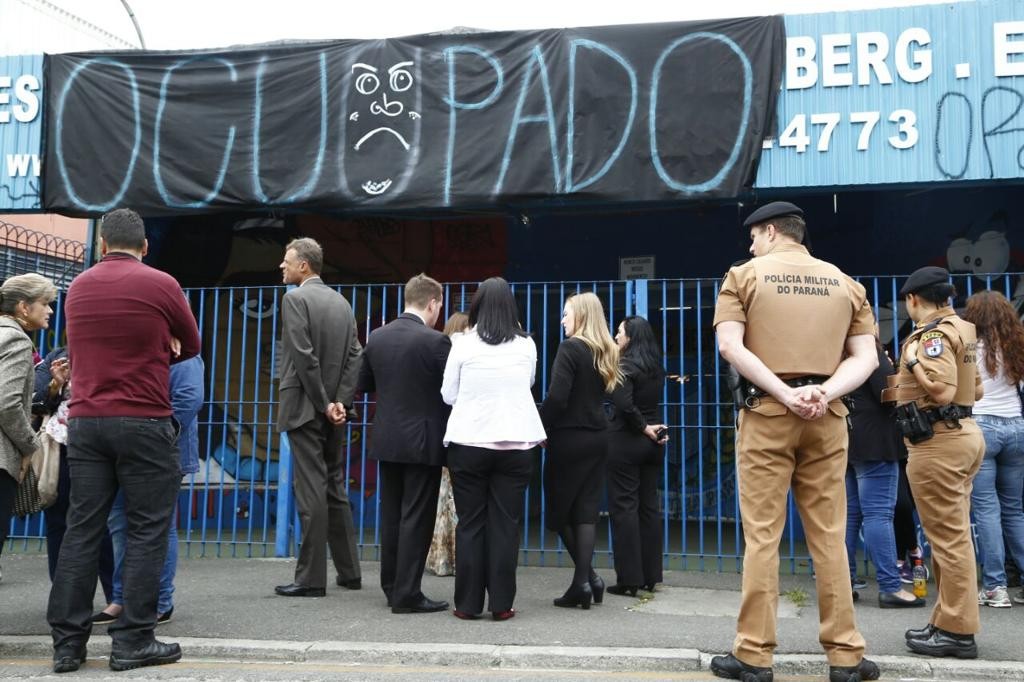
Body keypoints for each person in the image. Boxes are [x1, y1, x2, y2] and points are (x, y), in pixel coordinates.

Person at [711, 202, 880, 682]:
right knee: (829, 537)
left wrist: (785, 393)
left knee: (763, 536)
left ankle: (753, 654)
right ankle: (846, 656)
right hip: (828, 415)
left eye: (754, 236)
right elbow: (866, 358)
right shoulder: (846, 283)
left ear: (769, 231)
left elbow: (730, 346)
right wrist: (822, 392)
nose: (750, 246)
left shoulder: (742, 276)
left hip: (768, 413)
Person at [46, 208, 201, 674]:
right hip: (144, 420)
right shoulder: (162, 284)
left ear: (101, 245)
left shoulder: (78, 289)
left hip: (87, 423)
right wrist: (165, 338)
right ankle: (133, 641)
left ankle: (67, 645)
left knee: (82, 529)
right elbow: (191, 345)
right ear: (145, 246)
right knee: (147, 529)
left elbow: (78, 346)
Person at [883, 266, 985, 659]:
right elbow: (973, 387)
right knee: (951, 537)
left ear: (913, 299)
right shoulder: (964, 328)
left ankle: (958, 632)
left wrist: (910, 362)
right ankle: (947, 622)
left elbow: (941, 390)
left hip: (938, 442)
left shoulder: (932, 336)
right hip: (963, 434)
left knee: (949, 540)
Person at [440, 278, 545, 621]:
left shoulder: (462, 343)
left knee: (470, 523)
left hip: (468, 441)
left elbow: (448, 393)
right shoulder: (527, 345)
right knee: (505, 525)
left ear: (477, 306)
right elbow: (527, 383)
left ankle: (467, 605)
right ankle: (502, 604)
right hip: (516, 444)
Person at [274, 237, 363, 598]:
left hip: (305, 408)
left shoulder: (294, 299)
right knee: (334, 487)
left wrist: (324, 402)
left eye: (287, 261)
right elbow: (356, 355)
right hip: (333, 411)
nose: (282, 266)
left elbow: (303, 356)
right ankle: (350, 572)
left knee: (310, 492)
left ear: (304, 266)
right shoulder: (342, 302)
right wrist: (340, 401)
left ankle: (310, 579)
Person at [359, 273, 451, 614]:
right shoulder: (436, 342)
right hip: (423, 441)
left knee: (392, 515)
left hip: (387, 438)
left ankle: (391, 586)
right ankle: (408, 593)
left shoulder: (377, 337)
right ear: (432, 303)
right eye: (438, 306)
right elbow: (451, 391)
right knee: (417, 517)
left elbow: (364, 383)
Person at [99, 353, 205, 625]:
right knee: (120, 521)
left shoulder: (183, 353)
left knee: (159, 526)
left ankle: (160, 602)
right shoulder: (141, 343)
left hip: (164, 450)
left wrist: (156, 436)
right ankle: (121, 599)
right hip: (128, 448)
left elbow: (189, 398)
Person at [540, 291, 620, 610]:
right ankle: (585, 581)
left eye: (565, 314)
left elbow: (558, 398)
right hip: (598, 436)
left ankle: (584, 580)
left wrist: (539, 427)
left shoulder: (570, 348)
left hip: (569, 438)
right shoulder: (605, 350)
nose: (562, 320)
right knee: (585, 511)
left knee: (560, 514)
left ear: (581, 317)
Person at [31, 347, 116, 606]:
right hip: (61, 448)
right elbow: (37, 403)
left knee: (99, 524)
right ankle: (63, 597)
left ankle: (117, 595)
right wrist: (57, 384)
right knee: (58, 522)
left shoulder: (113, 354)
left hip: (99, 448)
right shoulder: (58, 356)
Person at [845, 332, 924, 608]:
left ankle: (845, 584)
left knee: (850, 515)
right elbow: (888, 395)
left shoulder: (835, 352)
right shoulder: (869, 351)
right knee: (879, 514)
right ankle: (891, 586)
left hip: (847, 439)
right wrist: (895, 370)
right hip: (877, 441)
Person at [964, 290, 1024, 609]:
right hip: (1017, 426)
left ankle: (995, 586)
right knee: (1014, 510)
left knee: (987, 509)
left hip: (983, 426)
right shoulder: (1017, 343)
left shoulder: (970, 346)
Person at [606, 315, 668, 597]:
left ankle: (629, 578)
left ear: (630, 338)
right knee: (649, 507)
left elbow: (623, 404)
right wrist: (650, 430)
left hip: (628, 441)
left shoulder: (624, 365)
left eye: (619, 332)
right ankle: (651, 575)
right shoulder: (656, 367)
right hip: (654, 441)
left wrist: (642, 428)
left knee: (624, 508)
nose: (616, 336)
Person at [0, 273, 56, 584]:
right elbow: (6, 403)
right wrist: (29, 444)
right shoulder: (17, 340)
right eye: (45, 303)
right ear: (23, 307)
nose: (49, 310)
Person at [426, 311, 469, 577]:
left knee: (444, 499)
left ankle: (443, 556)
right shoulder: (460, 355)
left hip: (443, 432)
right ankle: (457, 556)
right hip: (458, 434)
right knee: (456, 500)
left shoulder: (441, 354)